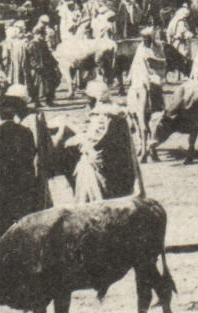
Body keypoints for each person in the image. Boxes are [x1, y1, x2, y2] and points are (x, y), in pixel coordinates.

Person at [0, 86, 49, 243]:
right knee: (21, 220)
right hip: (22, 182)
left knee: (0, 220)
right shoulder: (25, 131)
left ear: (1, 115)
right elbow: (32, 152)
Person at [60, 80, 143, 202]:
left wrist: (74, 140)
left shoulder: (103, 115)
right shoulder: (114, 110)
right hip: (118, 161)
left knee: (86, 176)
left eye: (89, 98)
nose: (87, 101)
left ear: (95, 98)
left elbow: (94, 140)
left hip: (104, 165)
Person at [125, 28, 168, 161]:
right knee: (141, 119)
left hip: (147, 86)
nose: (145, 40)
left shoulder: (156, 51)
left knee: (149, 120)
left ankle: (149, 149)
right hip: (141, 84)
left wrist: (153, 78)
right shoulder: (142, 49)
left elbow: (160, 69)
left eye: (147, 38)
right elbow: (136, 67)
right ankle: (144, 149)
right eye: (144, 38)